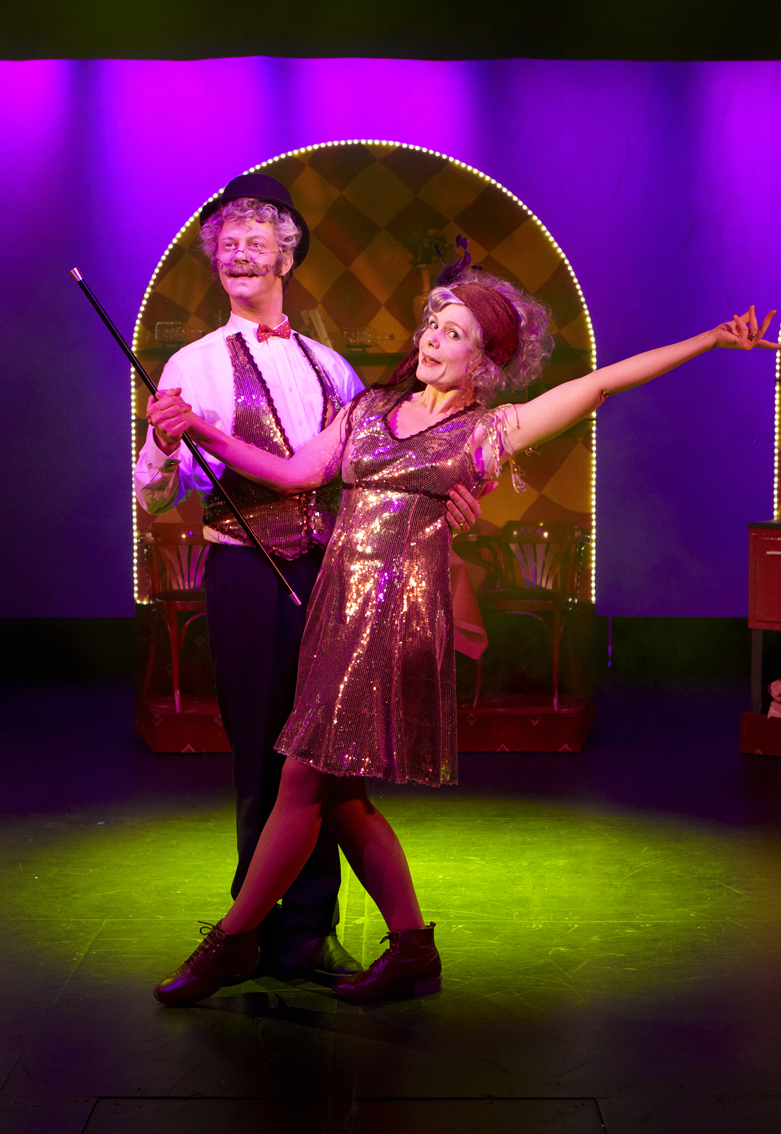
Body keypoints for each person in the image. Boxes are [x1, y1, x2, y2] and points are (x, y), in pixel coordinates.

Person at [147, 256, 781, 1005]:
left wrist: (710, 340)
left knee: (300, 778)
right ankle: (413, 949)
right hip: (334, 613)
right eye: (432, 325)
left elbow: (600, 384)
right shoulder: (368, 407)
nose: (431, 339)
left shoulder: (488, 430)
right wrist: (199, 430)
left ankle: (231, 942)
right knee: (340, 794)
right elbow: (292, 475)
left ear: (484, 361)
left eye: (453, 333)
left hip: (393, 623)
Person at [131, 174, 486, 984]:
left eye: (256, 243)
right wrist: (164, 443)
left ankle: (308, 933)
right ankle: (251, 930)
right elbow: (154, 494)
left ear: (286, 257)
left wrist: (446, 499)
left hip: (334, 576)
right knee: (264, 754)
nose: (239, 254)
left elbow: (376, 471)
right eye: (227, 245)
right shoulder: (192, 362)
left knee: (328, 758)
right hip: (246, 572)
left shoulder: (333, 367)